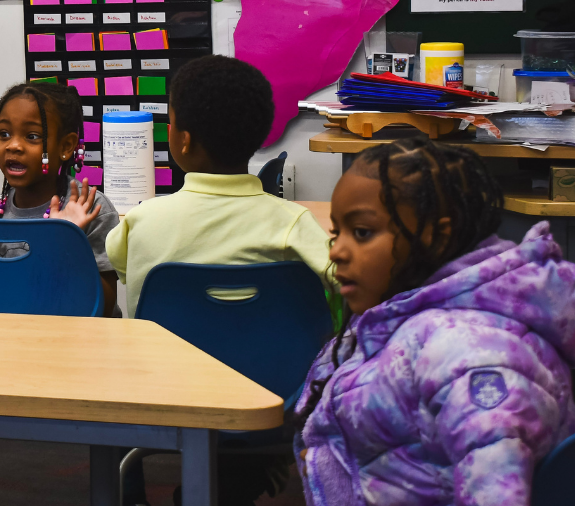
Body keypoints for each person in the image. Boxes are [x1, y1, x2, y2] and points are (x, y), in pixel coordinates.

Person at [104, 54, 331, 505]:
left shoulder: (141, 221)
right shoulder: (293, 222)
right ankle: (240, 479)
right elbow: (343, 279)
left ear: (182, 139)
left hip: (166, 390)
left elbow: (128, 272)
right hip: (273, 395)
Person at [297, 138, 575, 505]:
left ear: (436, 236)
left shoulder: (472, 353)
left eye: (362, 232)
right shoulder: (397, 316)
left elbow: (496, 487)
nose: (336, 251)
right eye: (337, 232)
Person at [0, 80, 120, 506]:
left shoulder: (89, 209)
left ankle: (129, 490)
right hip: (3, 351)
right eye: (4, 134)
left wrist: (64, 239)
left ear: (68, 146)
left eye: (32, 136)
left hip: (73, 358)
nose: (13, 146)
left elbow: (102, 308)